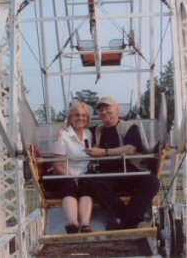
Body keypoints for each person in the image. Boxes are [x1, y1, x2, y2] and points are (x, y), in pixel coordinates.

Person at [85, 96, 160, 230]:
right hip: (108, 174)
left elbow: (130, 149)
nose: (104, 112)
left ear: (117, 109)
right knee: (95, 184)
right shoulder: (96, 130)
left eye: (107, 108)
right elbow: (77, 127)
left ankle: (122, 221)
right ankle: (131, 221)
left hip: (130, 170)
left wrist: (104, 152)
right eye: (100, 110)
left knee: (152, 182)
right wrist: (64, 131)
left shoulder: (130, 126)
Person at [53, 101, 93, 234]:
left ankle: (85, 224)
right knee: (70, 185)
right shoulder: (62, 135)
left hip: (84, 174)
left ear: (87, 119)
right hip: (66, 174)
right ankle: (72, 223)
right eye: (76, 115)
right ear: (70, 117)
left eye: (83, 115)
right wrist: (72, 177)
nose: (80, 118)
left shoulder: (89, 134)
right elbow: (57, 165)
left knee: (87, 186)